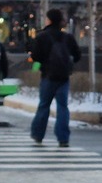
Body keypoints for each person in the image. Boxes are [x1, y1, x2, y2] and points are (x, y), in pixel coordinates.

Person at [30, 8, 81, 147]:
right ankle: (63, 138)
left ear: (49, 20)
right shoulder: (68, 37)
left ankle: (38, 134)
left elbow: (35, 56)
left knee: (44, 105)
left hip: (48, 75)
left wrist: (46, 61)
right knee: (62, 107)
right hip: (64, 77)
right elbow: (77, 55)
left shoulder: (42, 36)